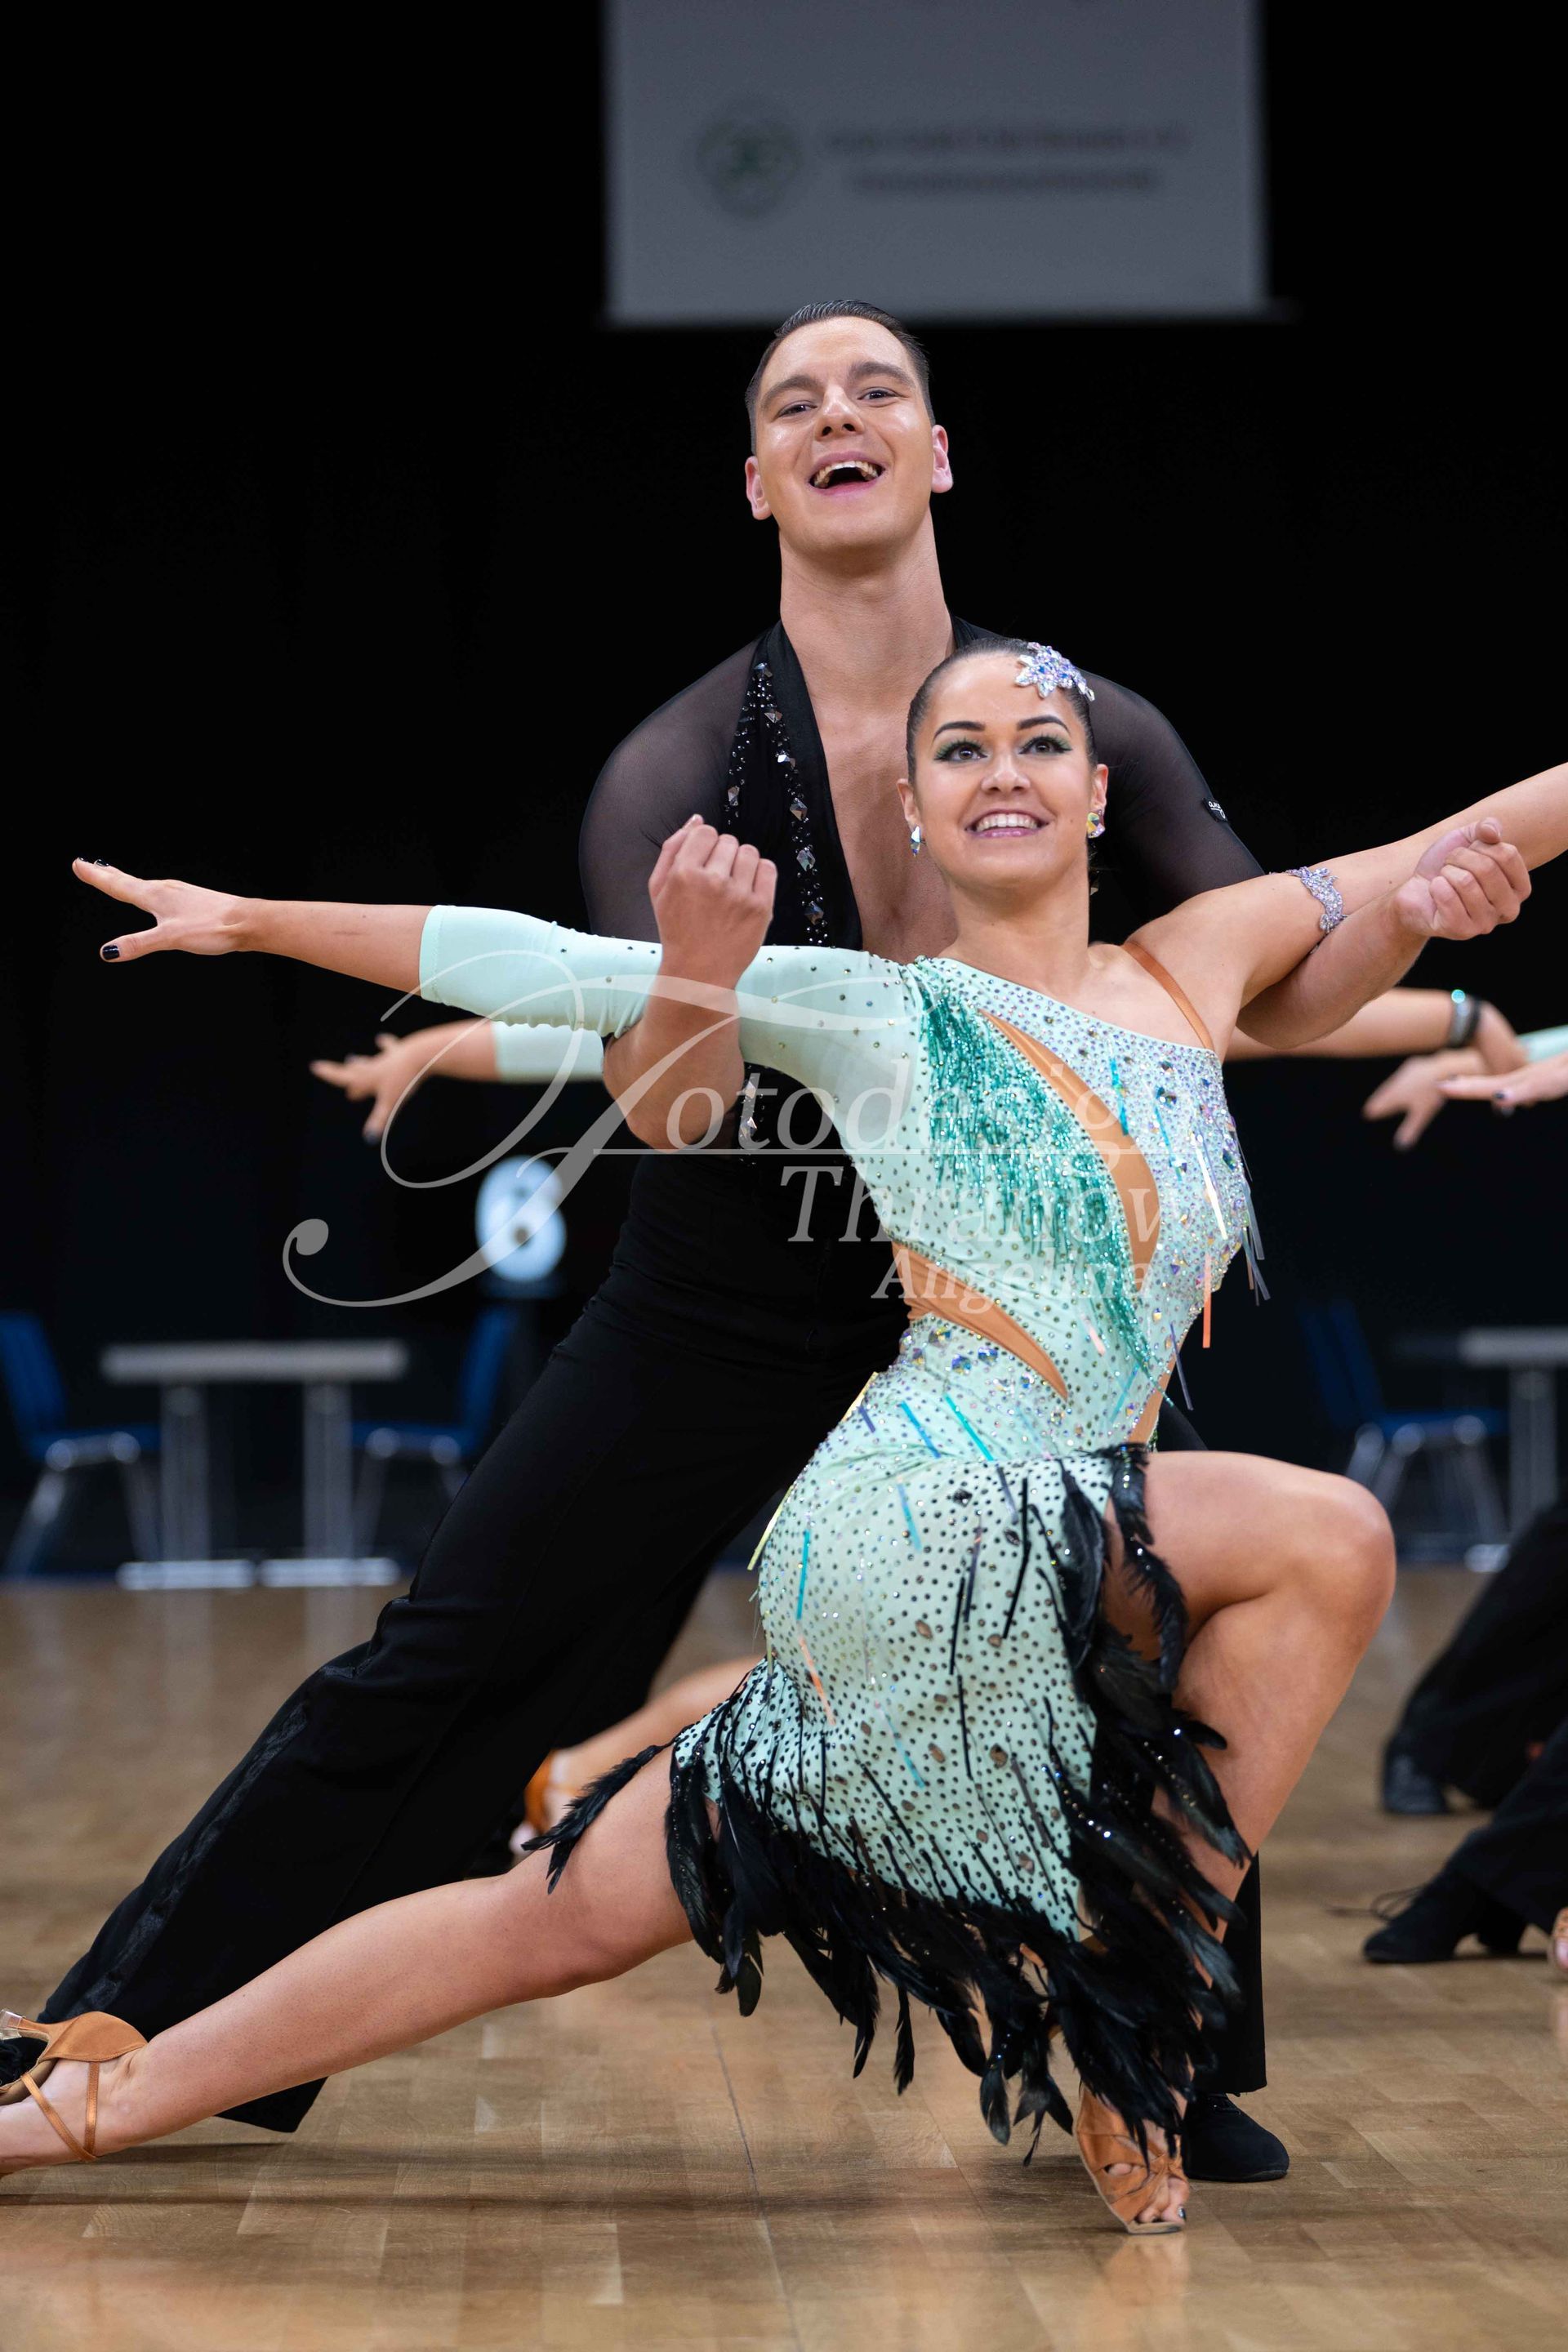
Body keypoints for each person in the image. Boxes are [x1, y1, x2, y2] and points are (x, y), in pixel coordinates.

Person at [22, 305, 1564, 2188]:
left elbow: (1270, 979)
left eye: (879, 390)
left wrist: (1433, 943)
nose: (842, 415)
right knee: (467, 1645)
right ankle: (128, 2033)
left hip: (996, 1300)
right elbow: (663, 1094)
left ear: (938, 452)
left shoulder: (1081, 728)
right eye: (796, 403)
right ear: (758, 480)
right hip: (735, 1279)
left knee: (1150, 1623)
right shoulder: (680, 765)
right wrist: (318, 931)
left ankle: (1149, 2047)